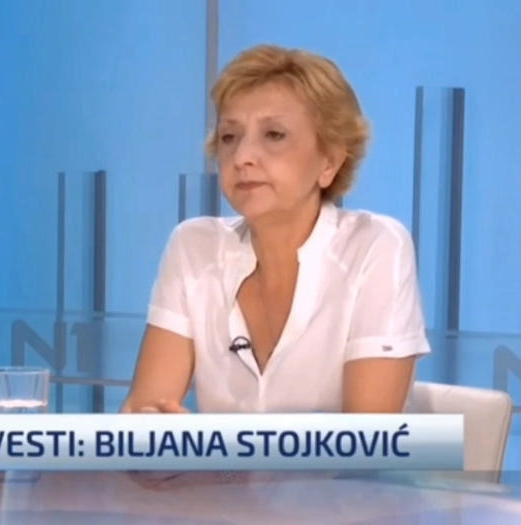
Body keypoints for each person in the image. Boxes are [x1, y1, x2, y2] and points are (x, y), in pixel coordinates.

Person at [122, 44, 430, 418]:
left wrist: (209, 445)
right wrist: (154, 434)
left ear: (329, 161)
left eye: (273, 135)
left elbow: (368, 438)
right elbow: (143, 414)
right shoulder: (193, 247)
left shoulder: (376, 246)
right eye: (229, 137)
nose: (242, 158)